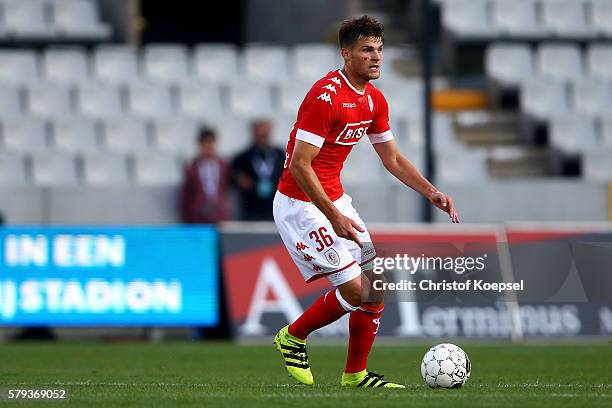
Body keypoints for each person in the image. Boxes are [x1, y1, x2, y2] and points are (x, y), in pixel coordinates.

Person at [272, 16, 459, 389]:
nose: (375, 57)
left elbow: (392, 159)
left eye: (378, 49)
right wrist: (334, 217)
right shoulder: (325, 97)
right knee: (357, 290)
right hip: (301, 204)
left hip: (335, 200)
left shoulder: (374, 100)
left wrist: (430, 191)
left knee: (374, 287)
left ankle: (355, 375)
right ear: (346, 54)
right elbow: (299, 164)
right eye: (366, 50)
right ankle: (292, 336)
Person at [231, 119, 285, 220]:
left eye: (266, 132)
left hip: (276, 209)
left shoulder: (281, 155)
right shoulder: (242, 158)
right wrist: (240, 180)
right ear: (253, 132)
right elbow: (233, 177)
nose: (263, 134)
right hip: (251, 210)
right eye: (260, 132)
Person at [180, 128, 231, 224]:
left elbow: (226, 187)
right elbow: (186, 193)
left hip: (219, 212)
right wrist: (186, 216)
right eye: (205, 142)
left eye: (211, 142)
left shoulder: (224, 165)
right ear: (200, 144)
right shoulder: (192, 166)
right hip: (198, 213)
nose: (208, 146)